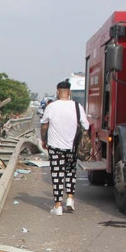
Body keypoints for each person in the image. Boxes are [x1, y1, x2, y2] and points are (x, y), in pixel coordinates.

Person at [40, 79, 89, 215]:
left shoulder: (51, 107)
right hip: (72, 147)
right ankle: (70, 199)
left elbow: (44, 125)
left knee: (57, 175)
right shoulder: (77, 106)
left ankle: (57, 206)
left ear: (57, 92)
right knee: (71, 173)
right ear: (69, 92)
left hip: (55, 146)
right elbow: (86, 125)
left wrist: (44, 140)